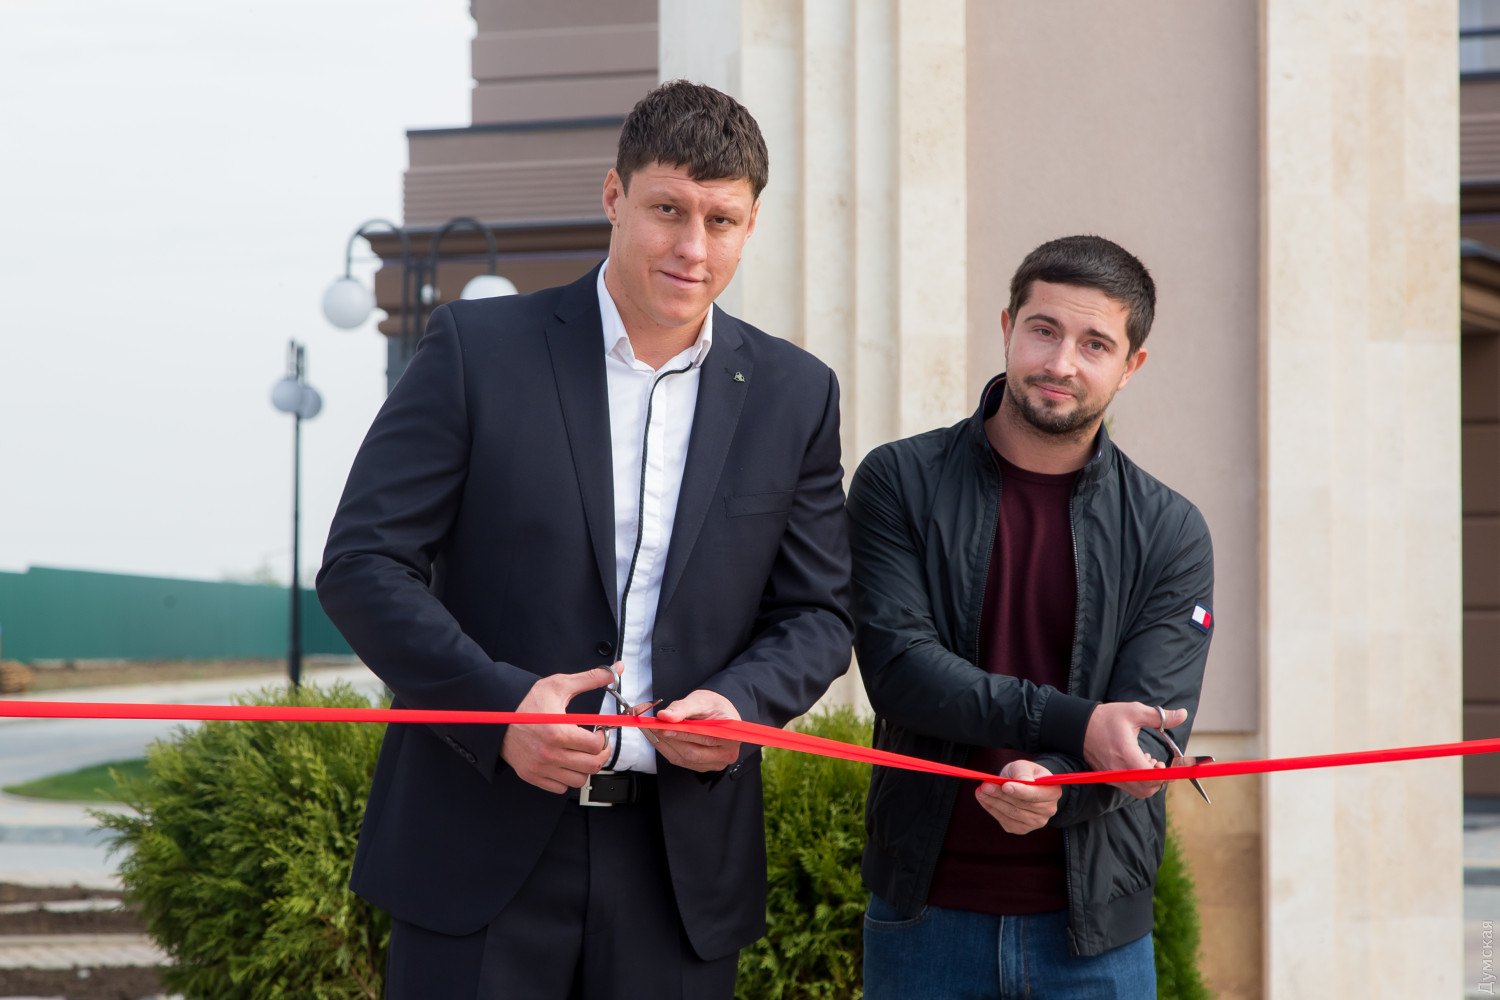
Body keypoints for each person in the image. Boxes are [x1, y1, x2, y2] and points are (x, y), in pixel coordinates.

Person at [316, 80, 853, 1000]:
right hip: (477, 848)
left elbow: (818, 613)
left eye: (721, 220)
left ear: (751, 224)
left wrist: (742, 702)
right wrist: (499, 710)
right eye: (668, 209)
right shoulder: (476, 349)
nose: (692, 248)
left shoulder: (795, 394)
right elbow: (363, 565)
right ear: (614, 196)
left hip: (680, 874)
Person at [847, 235, 1214, 998]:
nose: (1061, 363)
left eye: (1095, 344)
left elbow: (1152, 731)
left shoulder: (1170, 531)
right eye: (1044, 330)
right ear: (1008, 327)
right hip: (923, 918)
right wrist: (1077, 724)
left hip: (1094, 941)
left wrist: (1058, 783)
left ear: (1131, 365)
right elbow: (900, 671)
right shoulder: (899, 481)